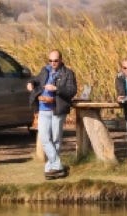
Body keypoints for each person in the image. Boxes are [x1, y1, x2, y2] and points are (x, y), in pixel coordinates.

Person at [26, 50, 78, 180]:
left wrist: (56, 89)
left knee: (56, 139)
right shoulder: (45, 70)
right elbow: (35, 79)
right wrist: (31, 83)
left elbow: (72, 91)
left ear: (61, 60)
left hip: (57, 109)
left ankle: (51, 167)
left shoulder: (68, 73)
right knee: (44, 138)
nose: (53, 63)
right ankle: (57, 165)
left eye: (55, 61)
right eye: (50, 60)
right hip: (43, 109)